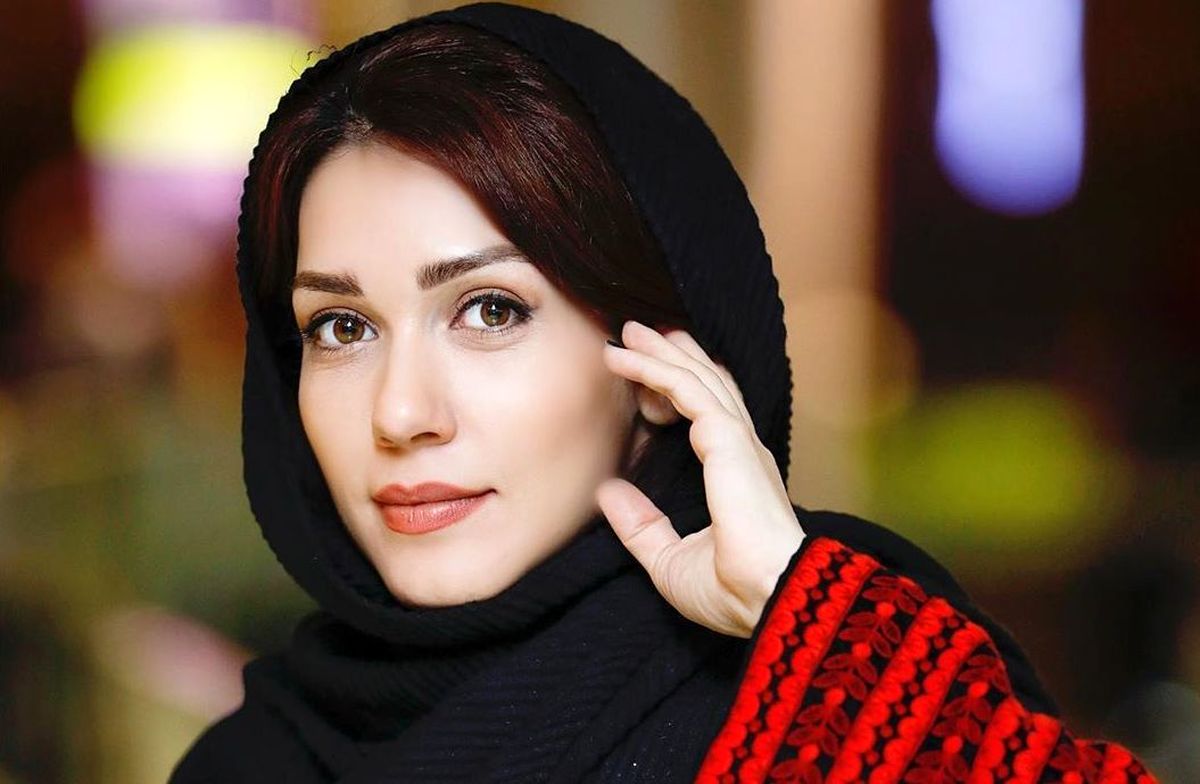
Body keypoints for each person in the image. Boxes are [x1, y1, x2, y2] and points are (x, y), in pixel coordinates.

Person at [169, 3, 1159, 782]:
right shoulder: (252, 759)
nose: (399, 414)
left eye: (490, 310)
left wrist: (797, 613)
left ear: (653, 364)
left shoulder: (853, 689)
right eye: (341, 328)